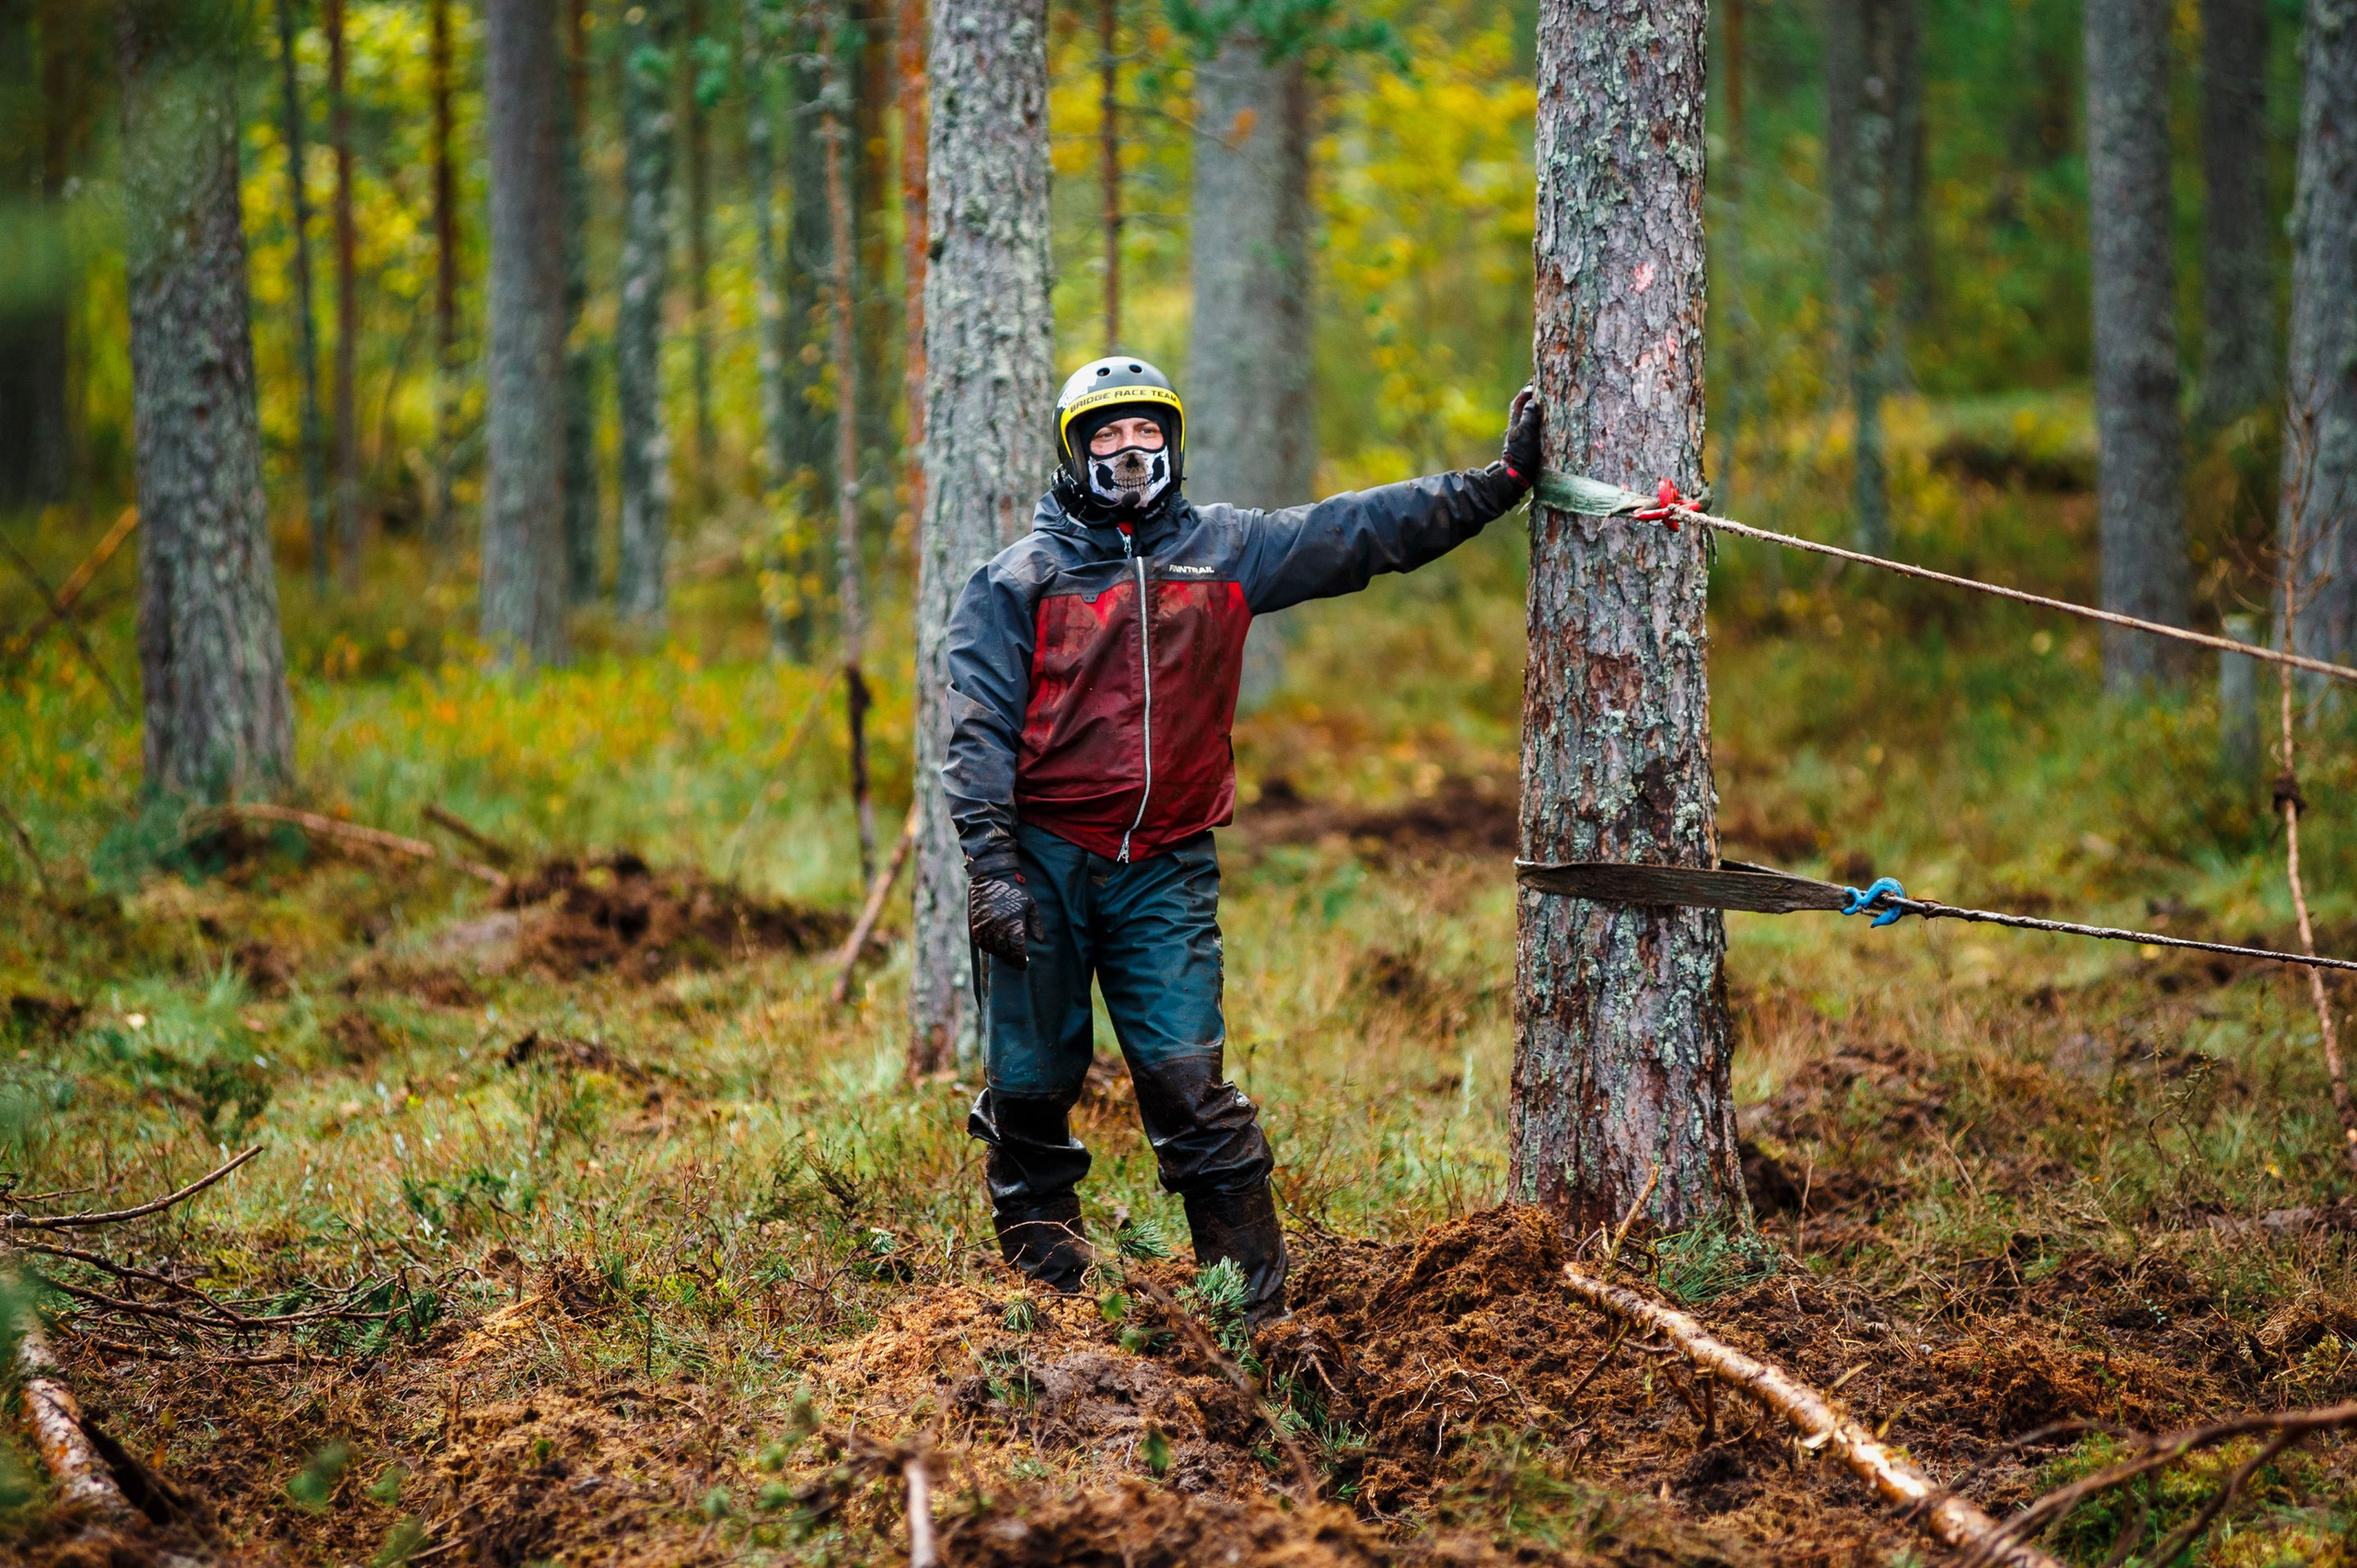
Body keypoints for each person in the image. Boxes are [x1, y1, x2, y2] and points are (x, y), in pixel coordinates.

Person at [941, 356, 1541, 1327]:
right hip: (1044, 862)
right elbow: (976, 730)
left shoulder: (1225, 550)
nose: (1127, 451)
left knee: (1189, 1084)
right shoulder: (1017, 579)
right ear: (1072, 450)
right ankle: (1044, 1305)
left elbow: (1359, 531)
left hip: (1165, 866)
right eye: (1104, 434)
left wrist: (1498, 485)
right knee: (1030, 1089)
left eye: (1145, 432)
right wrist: (992, 868)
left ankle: (1256, 1319)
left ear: (1171, 440)